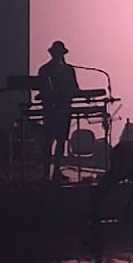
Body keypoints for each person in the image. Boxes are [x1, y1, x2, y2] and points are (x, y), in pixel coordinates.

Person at [37, 40, 79, 182]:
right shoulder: (44, 70)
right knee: (48, 141)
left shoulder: (68, 70)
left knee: (61, 141)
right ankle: (45, 172)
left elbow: (75, 89)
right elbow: (41, 90)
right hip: (50, 110)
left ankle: (56, 171)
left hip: (64, 109)